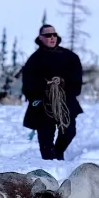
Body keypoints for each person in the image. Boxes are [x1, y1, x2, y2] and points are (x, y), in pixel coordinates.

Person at [21, 24, 83, 160]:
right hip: (43, 106)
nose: (52, 38)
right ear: (40, 38)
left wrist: (63, 83)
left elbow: (77, 82)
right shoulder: (34, 60)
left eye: (54, 35)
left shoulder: (70, 57)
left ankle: (58, 152)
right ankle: (50, 163)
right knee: (45, 140)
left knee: (69, 132)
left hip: (66, 103)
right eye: (48, 35)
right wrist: (45, 88)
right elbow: (27, 85)